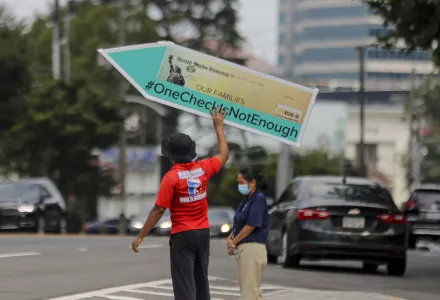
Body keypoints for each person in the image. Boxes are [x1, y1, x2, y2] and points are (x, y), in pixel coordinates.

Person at [131, 106, 229, 300]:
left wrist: (141, 236)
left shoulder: (171, 177)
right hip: (203, 233)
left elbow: (159, 210)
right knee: (201, 282)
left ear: (171, 155)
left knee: (184, 285)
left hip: (182, 236)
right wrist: (218, 126)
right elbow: (224, 154)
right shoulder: (203, 168)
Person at [226, 168, 269, 300]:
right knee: (251, 291)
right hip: (244, 249)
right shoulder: (246, 200)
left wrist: (233, 242)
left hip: (253, 248)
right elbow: (238, 224)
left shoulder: (258, 199)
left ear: (252, 182)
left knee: (249, 293)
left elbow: (251, 226)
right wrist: (230, 239)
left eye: (242, 182)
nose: (240, 186)